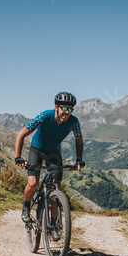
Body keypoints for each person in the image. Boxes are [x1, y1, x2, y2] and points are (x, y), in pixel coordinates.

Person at [15, 92, 85, 223]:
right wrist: (18, 157)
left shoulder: (73, 122)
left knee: (55, 187)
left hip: (54, 153)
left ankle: (54, 223)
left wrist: (79, 159)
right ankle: (26, 206)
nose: (67, 112)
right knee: (33, 184)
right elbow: (21, 134)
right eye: (64, 108)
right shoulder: (44, 116)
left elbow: (79, 140)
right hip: (37, 150)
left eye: (70, 109)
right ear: (56, 107)